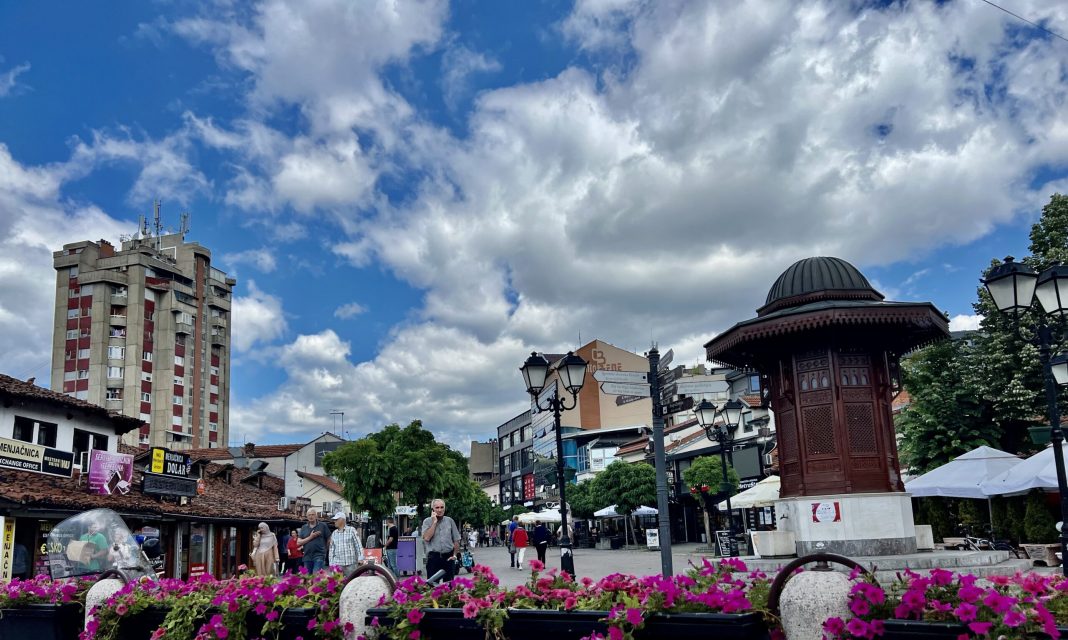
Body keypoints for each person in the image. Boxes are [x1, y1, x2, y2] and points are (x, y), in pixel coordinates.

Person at [421, 498, 460, 582]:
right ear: (433, 509)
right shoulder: (427, 522)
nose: (440, 510)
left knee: (450, 587)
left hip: (448, 557)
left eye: (442, 507)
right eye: (437, 507)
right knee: (433, 587)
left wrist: (455, 555)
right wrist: (434, 522)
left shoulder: (450, 521)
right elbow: (427, 538)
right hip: (434, 558)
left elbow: (456, 539)